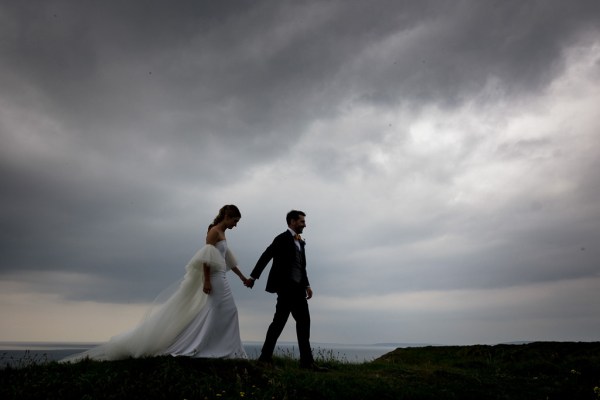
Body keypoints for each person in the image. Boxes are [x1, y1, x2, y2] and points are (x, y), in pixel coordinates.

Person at [62, 205, 249, 362]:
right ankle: (203, 346)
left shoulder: (223, 234)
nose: (236, 225)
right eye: (235, 221)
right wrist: (206, 281)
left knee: (226, 311)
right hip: (214, 279)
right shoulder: (213, 232)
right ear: (226, 216)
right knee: (220, 310)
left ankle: (223, 348)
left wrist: (242, 277)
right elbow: (206, 260)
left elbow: (227, 259)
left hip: (221, 278)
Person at [246, 210, 326, 371]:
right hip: (285, 288)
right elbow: (266, 256)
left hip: (298, 289)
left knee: (304, 323)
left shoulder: (300, 242)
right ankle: (264, 358)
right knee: (279, 323)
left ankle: (306, 363)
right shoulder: (281, 238)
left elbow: (301, 266)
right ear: (292, 221)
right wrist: (253, 277)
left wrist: (307, 285)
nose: (305, 224)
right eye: (302, 221)